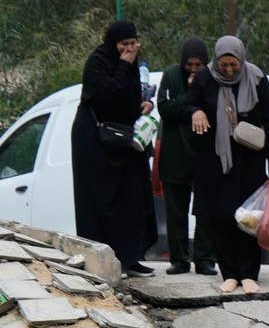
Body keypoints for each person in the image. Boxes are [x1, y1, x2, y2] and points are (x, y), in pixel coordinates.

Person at [187, 36, 269, 293]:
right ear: (216, 61)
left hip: (249, 161)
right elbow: (187, 104)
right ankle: (229, 272)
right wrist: (197, 111)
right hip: (215, 162)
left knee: (250, 218)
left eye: (233, 65)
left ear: (241, 59)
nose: (229, 70)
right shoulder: (205, 78)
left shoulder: (257, 78)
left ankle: (249, 273)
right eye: (224, 65)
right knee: (221, 218)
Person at [74, 22, 156, 275]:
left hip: (124, 141)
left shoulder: (132, 67)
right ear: (113, 44)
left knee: (133, 197)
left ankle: (130, 259)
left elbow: (128, 96)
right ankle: (101, 262)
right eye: (124, 44)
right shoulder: (98, 62)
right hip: (96, 143)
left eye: (133, 43)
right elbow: (107, 94)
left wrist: (144, 105)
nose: (130, 49)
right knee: (102, 201)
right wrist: (124, 65)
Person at [153, 38, 210, 274]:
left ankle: (205, 259)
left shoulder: (211, 78)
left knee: (206, 209)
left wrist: (197, 99)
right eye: (190, 64)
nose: (194, 70)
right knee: (176, 211)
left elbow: (214, 106)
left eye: (199, 65)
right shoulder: (171, 76)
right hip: (175, 153)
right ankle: (179, 259)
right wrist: (191, 100)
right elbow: (165, 109)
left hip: (204, 154)